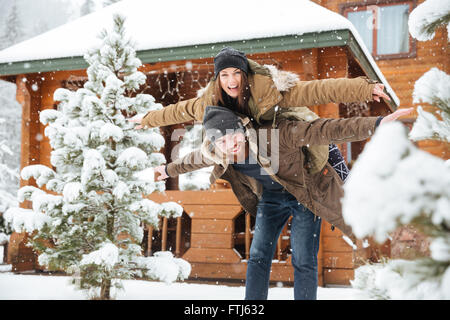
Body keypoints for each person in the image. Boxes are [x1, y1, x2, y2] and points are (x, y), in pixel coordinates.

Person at [153, 105, 413, 300]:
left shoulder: (273, 136)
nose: (229, 144)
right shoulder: (217, 152)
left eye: (232, 135)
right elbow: (192, 160)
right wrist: (167, 170)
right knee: (257, 256)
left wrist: (376, 123)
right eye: (221, 141)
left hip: (304, 195)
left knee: (303, 258)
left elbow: (325, 130)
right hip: (271, 199)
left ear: (242, 130)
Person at [129, 47, 391, 180]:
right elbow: (178, 110)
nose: (231, 80)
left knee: (328, 159)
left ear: (244, 74)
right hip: (269, 152)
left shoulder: (271, 90)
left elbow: (318, 90)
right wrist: (147, 119)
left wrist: (364, 89)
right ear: (218, 78)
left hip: (301, 134)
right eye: (224, 75)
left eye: (236, 74)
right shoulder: (209, 102)